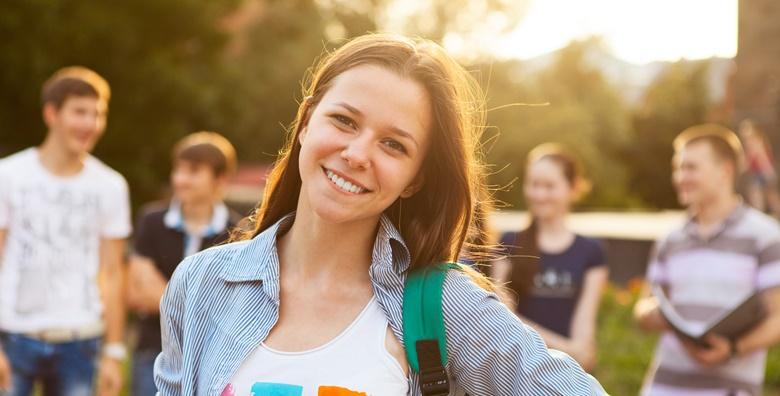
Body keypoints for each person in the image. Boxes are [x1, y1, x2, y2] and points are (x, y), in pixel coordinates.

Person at [153, 34, 607, 395]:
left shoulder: (444, 305)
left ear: (414, 178)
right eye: (345, 121)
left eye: (394, 144)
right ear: (307, 122)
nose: (356, 153)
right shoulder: (200, 284)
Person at [0, 66, 130, 395]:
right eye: (80, 112)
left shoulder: (111, 186)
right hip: (14, 336)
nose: (90, 124)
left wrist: (113, 353)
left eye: (98, 114)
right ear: (51, 113)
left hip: (80, 342)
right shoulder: (9, 176)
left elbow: (113, 273)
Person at [633, 124, 780, 395]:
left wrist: (734, 349)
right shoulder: (670, 238)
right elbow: (643, 307)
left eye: (690, 168)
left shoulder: (766, 236)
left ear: (724, 171)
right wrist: (653, 315)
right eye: (678, 168)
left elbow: (778, 317)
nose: (680, 177)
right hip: (664, 388)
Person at [126, 131, 240, 395]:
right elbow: (137, 293)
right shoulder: (151, 221)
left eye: (193, 171)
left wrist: (163, 296)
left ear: (220, 179)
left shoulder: (240, 232)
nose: (180, 179)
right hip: (154, 350)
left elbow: (233, 304)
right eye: (178, 170)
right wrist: (205, 308)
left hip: (210, 357)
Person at [491, 143, 609, 372]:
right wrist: (566, 349)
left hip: (565, 379)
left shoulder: (592, 252)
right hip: (516, 374)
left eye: (549, 186)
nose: (539, 194)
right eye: (534, 185)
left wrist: (524, 327)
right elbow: (501, 320)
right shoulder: (509, 243)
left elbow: (585, 350)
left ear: (573, 189)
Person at [738, 119, 780, 218]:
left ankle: (760, 220)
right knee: (769, 198)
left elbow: (754, 158)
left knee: (761, 198)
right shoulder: (759, 140)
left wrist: (741, 167)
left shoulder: (754, 141)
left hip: (761, 173)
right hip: (763, 173)